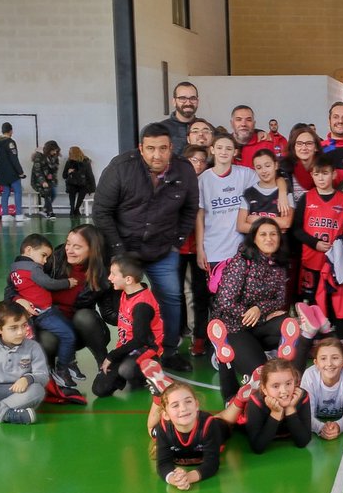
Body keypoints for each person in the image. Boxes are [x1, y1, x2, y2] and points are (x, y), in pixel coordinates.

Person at [94, 122, 199, 371]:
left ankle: (169, 350)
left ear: (171, 148)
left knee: (172, 298)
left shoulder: (184, 170)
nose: (157, 155)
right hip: (125, 249)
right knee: (117, 303)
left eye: (163, 148)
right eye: (150, 148)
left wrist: (177, 243)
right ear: (141, 148)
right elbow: (101, 211)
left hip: (163, 250)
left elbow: (190, 209)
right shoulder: (120, 168)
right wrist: (118, 251)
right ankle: (126, 349)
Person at [205, 219, 301, 398]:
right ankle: (224, 348)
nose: (269, 239)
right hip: (233, 326)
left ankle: (280, 355)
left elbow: (279, 299)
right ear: (254, 239)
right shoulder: (241, 262)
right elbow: (225, 301)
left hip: (258, 322)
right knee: (261, 373)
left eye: (273, 234)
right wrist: (248, 312)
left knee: (288, 323)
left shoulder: (279, 265)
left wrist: (258, 309)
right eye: (263, 234)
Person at [38, 225, 114, 402]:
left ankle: (104, 364)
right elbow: (20, 281)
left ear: (92, 249)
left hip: (81, 331)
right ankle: (53, 374)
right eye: (68, 244)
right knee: (46, 340)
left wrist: (134, 300)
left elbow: (110, 314)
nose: (69, 250)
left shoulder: (102, 271)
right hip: (53, 328)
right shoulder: (52, 260)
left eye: (77, 247)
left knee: (84, 316)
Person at [6, 233, 80, 389]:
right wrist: (67, 283)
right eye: (43, 256)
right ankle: (62, 368)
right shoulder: (33, 268)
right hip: (43, 313)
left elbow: (10, 290)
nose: (45, 261)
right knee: (69, 335)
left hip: (33, 314)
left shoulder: (13, 268)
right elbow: (48, 283)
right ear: (28, 250)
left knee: (31, 343)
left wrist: (17, 299)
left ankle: (36, 371)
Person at [292, 155, 343, 335]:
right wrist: (315, 243)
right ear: (312, 175)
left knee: (337, 299)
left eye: (325, 173)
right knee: (311, 300)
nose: (321, 178)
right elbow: (296, 229)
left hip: (335, 262)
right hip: (311, 259)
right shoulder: (306, 198)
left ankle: (340, 337)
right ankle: (314, 338)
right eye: (317, 174)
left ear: (334, 174)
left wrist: (342, 241)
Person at [92, 253, 164, 397]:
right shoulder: (126, 292)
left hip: (145, 348)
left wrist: (112, 356)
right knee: (99, 389)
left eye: (113, 274)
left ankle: (150, 371)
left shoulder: (142, 305)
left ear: (128, 279)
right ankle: (127, 370)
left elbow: (140, 340)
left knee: (127, 370)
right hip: (127, 347)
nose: (109, 278)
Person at [153, 383, 235, 488]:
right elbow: (163, 464)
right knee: (152, 430)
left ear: (196, 405)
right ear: (166, 415)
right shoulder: (163, 428)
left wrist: (187, 478)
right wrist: (174, 479)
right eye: (175, 405)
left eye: (188, 401)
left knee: (229, 421)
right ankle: (156, 394)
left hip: (220, 427)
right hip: (180, 425)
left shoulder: (209, 425)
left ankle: (239, 401)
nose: (183, 408)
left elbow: (212, 464)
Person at [178, 145, 211, 357]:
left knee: (201, 295)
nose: (197, 164)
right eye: (193, 160)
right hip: (178, 248)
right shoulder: (176, 183)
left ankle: (200, 337)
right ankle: (175, 334)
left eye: (201, 160)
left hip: (203, 248)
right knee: (175, 294)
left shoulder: (209, 183)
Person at [242, 359, 312, 454]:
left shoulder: (302, 396)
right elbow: (257, 447)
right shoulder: (255, 402)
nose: (284, 391)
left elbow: (303, 442)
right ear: (264, 389)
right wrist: (276, 413)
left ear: (295, 382)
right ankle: (224, 363)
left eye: (288, 383)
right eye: (275, 386)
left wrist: (290, 408)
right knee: (231, 404)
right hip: (242, 416)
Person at [303, 337, 343, 440]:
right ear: (316, 363)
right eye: (323, 358)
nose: (329, 363)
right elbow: (306, 414)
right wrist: (320, 428)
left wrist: (339, 425)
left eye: (335, 358)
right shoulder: (310, 375)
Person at [237, 148, 292, 233]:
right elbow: (241, 226)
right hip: (254, 245)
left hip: (280, 244)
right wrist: (275, 226)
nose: (264, 171)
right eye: (259, 167)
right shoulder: (249, 193)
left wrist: (258, 219)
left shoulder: (286, 193)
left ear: (276, 165)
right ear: (254, 169)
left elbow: (286, 223)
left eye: (267, 166)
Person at [154, 82, 200, 155]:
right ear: (174, 101)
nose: (188, 103)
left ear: (197, 101)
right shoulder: (160, 129)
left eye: (192, 98)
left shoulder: (207, 129)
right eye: (182, 98)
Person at [0, 122, 26, 222]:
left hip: (1, 172)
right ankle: (19, 215)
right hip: (12, 172)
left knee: (5, 192)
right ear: (11, 131)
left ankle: (5, 215)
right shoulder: (10, 142)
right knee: (17, 192)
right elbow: (14, 158)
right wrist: (20, 172)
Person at [281, 125, 321, 201]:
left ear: (316, 147)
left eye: (309, 143)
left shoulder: (325, 169)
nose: (304, 148)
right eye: (299, 143)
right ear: (294, 147)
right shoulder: (283, 169)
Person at [30, 140, 61, 220]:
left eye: (55, 150)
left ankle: (45, 209)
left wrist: (51, 176)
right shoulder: (39, 156)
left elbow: (55, 169)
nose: (54, 152)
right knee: (47, 192)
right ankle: (50, 212)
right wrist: (43, 181)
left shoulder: (55, 157)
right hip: (38, 181)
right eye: (53, 150)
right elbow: (37, 170)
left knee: (53, 193)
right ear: (48, 150)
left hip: (50, 180)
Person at [62, 146, 96, 218]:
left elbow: (89, 175)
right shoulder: (69, 162)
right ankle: (72, 209)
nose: (69, 154)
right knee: (72, 191)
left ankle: (76, 209)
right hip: (72, 183)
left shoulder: (85, 162)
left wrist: (93, 187)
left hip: (82, 183)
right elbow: (64, 175)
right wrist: (68, 172)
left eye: (70, 152)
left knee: (83, 190)